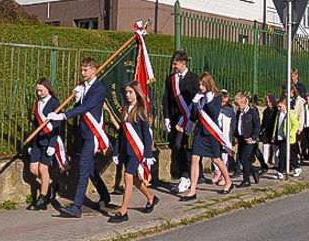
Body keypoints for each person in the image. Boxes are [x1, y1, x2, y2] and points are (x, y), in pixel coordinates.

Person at [47, 57, 112, 218]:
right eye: (81, 70)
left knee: (83, 168)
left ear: (93, 70)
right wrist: (77, 98)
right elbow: (80, 107)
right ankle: (105, 196)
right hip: (83, 133)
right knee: (89, 168)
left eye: (85, 70)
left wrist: (63, 116)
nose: (82, 73)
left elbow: (87, 107)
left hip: (92, 134)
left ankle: (77, 206)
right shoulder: (84, 87)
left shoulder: (99, 88)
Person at [108, 81, 157, 223]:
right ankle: (151, 197)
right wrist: (116, 151)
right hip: (126, 149)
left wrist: (148, 153)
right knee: (134, 178)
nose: (128, 95)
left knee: (128, 175)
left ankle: (123, 211)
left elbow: (146, 134)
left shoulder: (140, 110)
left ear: (137, 93)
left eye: (131, 92)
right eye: (127, 92)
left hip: (137, 149)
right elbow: (121, 133)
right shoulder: (124, 110)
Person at [180, 72, 234, 200]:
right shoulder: (199, 97)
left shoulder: (217, 97)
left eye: (203, 85)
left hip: (211, 132)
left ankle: (228, 181)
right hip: (200, 132)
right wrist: (194, 103)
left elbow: (214, 114)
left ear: (208, 84)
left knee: (216, 159)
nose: (201, 87)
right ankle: (192, 190)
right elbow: (194, 116)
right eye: (199, 85)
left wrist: (209, 100)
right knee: (194, 159)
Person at [161, 51, 200, 194]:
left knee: (182, 145)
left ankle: (186, 175)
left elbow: (198, 99)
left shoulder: (194, 79)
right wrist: (166, 117)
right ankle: (187, 175)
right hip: (175, 119)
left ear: (183, 63)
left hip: (188, 120)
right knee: (176, 146)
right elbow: (166, 98)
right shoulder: (170, 79)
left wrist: (192, 119)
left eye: (175, 63)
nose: (173, 66)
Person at [27, 78, 62, 211]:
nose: (39, 93)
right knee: (33, 169)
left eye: (41, 90)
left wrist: (52, 145)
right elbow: (35, 125)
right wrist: (31, 143)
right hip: (37, 141)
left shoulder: (54, 103)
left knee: (43, 169)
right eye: (37, 91)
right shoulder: (37, 104)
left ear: (48, 89)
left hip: (48, 140)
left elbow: (56, 126)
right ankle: (51, 184)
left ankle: (42, 198)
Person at [234, 92, 261, 187]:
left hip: (249, 139)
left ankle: (246, 180)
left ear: (245, 102)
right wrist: (236, 136)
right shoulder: (239, 113)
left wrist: (253, 137)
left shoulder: (252, 112)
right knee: (241, 158)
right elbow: (237, 125)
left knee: (244, 159)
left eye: (239, 105)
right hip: (242, 138)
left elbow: (257, 126)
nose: (238, 107)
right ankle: (253, 170)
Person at [273, 96, 300, 179]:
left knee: (288, 154)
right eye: (278, 107)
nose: (279, 108)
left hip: (288, 138)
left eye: (280, 107)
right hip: (281, 137)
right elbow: (276, 126)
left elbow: (295, 125)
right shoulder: (278, 114)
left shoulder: (290, 114)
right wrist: (274, 136)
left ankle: (292, 168)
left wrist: (290, 133)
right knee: (282, 154)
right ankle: (281, 170)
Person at [257, 94, 277, 172]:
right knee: (265, 145)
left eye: (270, 102)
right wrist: (261, 130)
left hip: (273, 130)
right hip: (267, 130)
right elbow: (264, 121)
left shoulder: (276, 110)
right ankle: (264, 162)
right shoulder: (266, 110)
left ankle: (276, 163)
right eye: (268, 102)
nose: (269, 104)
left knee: (275, 147)